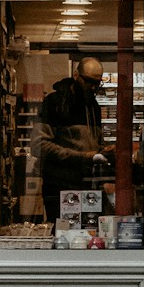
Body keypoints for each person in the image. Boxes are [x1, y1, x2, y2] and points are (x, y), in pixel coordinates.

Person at [32, 56, 109, 223]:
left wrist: (104, 151)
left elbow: (96, 141)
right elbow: (39, 145)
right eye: (89, 81)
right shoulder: (55, 103)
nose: (93, 87)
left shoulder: (93, 106)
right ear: (76, 75)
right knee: (64, 233)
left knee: (88, 233)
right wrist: (83, 157)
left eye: (98, 83)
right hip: (60, 184)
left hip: (88, 184)